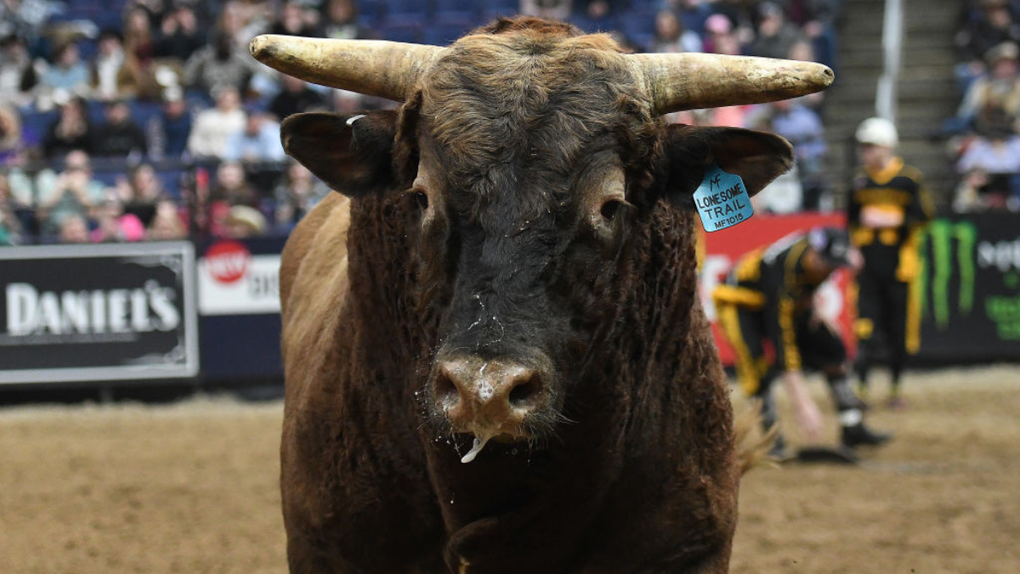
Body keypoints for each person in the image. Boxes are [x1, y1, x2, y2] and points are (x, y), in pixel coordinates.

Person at [714, 227, 891, 459]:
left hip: (788, 300)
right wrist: (803, 404)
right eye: (827, 264)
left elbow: (833, 259)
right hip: (740, 302)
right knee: (756, 367)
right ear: (813, 254)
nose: (829, 270)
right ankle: (773, 441)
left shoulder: (818, 251)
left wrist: (816, 304)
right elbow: (784, 345)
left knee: (832, 348)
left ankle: (852, 426)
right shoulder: (781, 274)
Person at [848, 117, 935, 409]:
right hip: (868, 269)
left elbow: (924, 215)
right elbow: (851, 220)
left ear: (887, 146)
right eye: (863, 146)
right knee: (865, 328)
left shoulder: (909, 179)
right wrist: (854, 250)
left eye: (871, 146)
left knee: (899, 331)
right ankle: (860, 389)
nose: (866, 152)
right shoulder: (859, 181)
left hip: (900, 269)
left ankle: (895, 389)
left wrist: (890, 218)